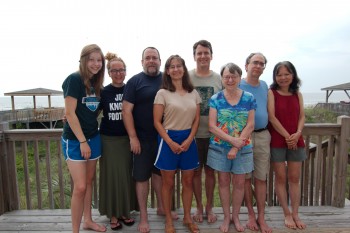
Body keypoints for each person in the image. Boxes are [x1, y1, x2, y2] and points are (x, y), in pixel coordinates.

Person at [122, 47, 177, 233]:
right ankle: (144, 217)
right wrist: (133, 137)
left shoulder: (167, 80)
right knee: (141, 177)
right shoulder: (134, 82)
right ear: (142, 61)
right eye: (148, 58)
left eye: (154, 58)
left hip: (164, 139)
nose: (151, 60)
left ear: (160, 61)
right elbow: (126, 111)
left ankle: (162, 207)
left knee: (160, 175)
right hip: (142, 139)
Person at [61, 44, 106, 233]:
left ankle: (88, 220)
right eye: (92, 59)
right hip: (75, 140)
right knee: (80, 187)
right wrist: (82, 141)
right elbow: (70, 114)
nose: (96, 64)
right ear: (83, 60)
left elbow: (94, 110)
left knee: (89, 182)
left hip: (93, 137)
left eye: (99, 60)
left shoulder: (97, 84)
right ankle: (75, 230)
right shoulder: (74, 79)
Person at [154, 55, 201, 233]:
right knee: (168, 183)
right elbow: (157, 122)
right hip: (168, 140)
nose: (175, 69)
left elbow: (196, 119)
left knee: (188, 181)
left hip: (188, 139)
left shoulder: (193, 93)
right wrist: (170, 142)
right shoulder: (162, 93)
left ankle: (187, 217)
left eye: (179, 66)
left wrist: (189, 139)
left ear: (183, 68)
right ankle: (168, 220)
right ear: (167, 71)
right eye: (171, 66)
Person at [207, 63, 256, 233]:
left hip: (243, 147)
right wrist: (231, 141)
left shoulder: (249, 98)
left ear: (239, 78)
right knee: (223, 182)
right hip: (220, 147)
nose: (230, 79)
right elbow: (212, 127)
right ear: (222, 78)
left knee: (240, 183)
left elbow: (250, 124)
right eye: (226, 76)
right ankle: (226, 217)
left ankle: (236, 216)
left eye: (233, 76)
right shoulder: (215, 99)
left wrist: (236, 145)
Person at [98, 52, 138, 231]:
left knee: (126, 176)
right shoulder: (103, 92)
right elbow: (90, 112)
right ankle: (113, 214)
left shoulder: (131, 89)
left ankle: (124, 211)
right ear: (109, 72)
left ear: (126, 71)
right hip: (109, 141)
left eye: (121, 70)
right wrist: (69, 115)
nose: (118, 73)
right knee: (111, 177)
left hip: (127, 140)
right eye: (114, 70)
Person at [267, 61, 307, 230]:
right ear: (275, 77)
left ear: (293, 75)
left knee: (295, 178)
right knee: (281, 178)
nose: (283, 77)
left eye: (286, 74)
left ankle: (296, 213)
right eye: (279, 74)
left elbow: (302, 116)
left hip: (297, 140)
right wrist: (287, 136)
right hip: (277, 140)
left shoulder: (297, 93)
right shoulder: (272, 92)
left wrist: (297, 134)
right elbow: (272, 117)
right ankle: (286, 213)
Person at [189, 39, 222, 223]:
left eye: (206, 53)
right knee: (194, 173)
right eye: (199, 53)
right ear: (194, 56)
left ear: (211, 55)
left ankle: (209, 207)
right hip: (192, 135)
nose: (203, 56)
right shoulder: (187, 77)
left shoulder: (218, 78)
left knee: (210, 173)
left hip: (213, 136)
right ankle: (199, 207)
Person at [241, 53, 272, 233]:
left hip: (262, 136)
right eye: (255, 63)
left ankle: (261, 216)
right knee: (245, 179)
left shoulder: (265, 86)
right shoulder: (238, 84)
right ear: (246, 65)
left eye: (262, 64)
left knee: (261, 178)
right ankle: (250, 214)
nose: (258, 66)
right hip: (244, 137)